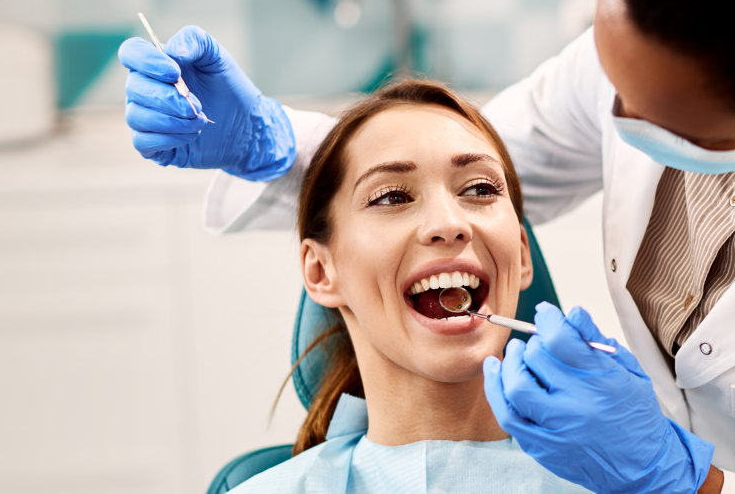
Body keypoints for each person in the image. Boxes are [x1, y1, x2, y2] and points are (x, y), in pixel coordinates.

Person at [119, 0, 735, 491]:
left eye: (654, 112)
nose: (608, 108)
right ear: (318, 268)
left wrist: (692, 484)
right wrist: (273, 148)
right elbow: (474, 152)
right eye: (606, 70)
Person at [231, 79, 592, 493]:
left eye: (479, 188)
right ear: (320, 272)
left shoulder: (625, 481)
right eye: (391, 197)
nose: (449, 224)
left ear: (522, 256)